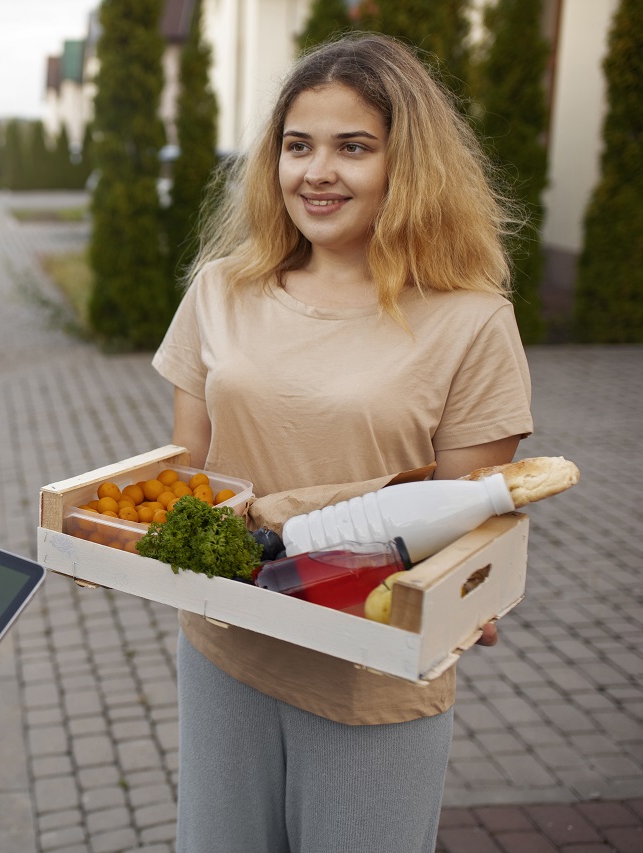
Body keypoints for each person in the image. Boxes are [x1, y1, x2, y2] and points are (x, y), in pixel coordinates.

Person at [152, 33, 533, 852]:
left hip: (371, 665)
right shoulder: (221, 288)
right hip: (227, 640)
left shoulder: (470, 319)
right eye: (297, 146)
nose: (316, 172)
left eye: (352, 147)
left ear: (409, 164)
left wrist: (471, 590)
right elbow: (189, 471)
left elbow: (470, 516)